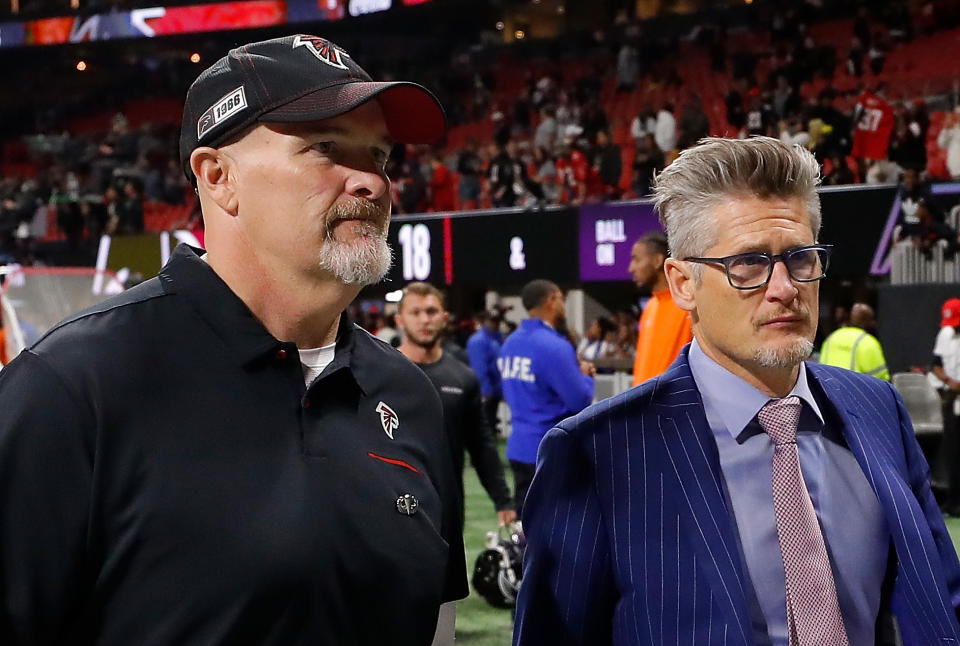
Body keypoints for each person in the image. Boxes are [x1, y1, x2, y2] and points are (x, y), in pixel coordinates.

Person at [0, 34, 467, 645]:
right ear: (218, 177)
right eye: (326, 149)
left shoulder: (408, 394)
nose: (372, 184)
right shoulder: (72, 385)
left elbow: (435, 622)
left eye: (378, 157)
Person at [514, 137, 960, 646]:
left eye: (801, 258)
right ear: (683, 284)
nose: (784, 287)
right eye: (748, 263)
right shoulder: (596, 452)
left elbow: (939, 596)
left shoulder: (877, 407)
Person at [395, 282, 516, 530]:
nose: (424, 320)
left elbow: (481, 444)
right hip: (390, 506)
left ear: (444, 318)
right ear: (400, 320)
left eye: (431, 312)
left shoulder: (462, 378)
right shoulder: (380, 373)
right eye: (415, 312)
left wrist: (502, 499)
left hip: (446, 506)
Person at [498, 280, 594, 519]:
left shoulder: (510, 343)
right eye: (561, 298)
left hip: (519, 446)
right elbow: (579, 399)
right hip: (550, 449)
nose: (563, 304)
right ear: (552, 300)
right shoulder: (554, 346)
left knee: (527, 530)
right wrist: (587, 376)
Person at [629, 230, 692, 386]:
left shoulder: (687, 304)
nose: (631, 268)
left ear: (657, 261)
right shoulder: (650, 306)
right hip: (643, 406)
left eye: (636, 260)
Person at [931, 297, 960, 516]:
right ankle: (953, 502)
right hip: (952, 400)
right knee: (952, 453)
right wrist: (950, 382)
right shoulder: (945, 334)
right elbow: (936, 365)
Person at [819, 302, 890, 380]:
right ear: (868, 321)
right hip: (855, 389)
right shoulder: (868, 342)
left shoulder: (831, 337)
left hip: (828, 388)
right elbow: (880, 376)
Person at [466, 309, 504, 433]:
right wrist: (485, 389)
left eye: (497, 321)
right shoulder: (478, 340)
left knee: (491, 423)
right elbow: (479, 368)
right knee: (485, 427)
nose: (495, 324)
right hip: (485, 390)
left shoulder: (498, 337)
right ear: (484, 321)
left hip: (496, 388)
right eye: (492, 321)